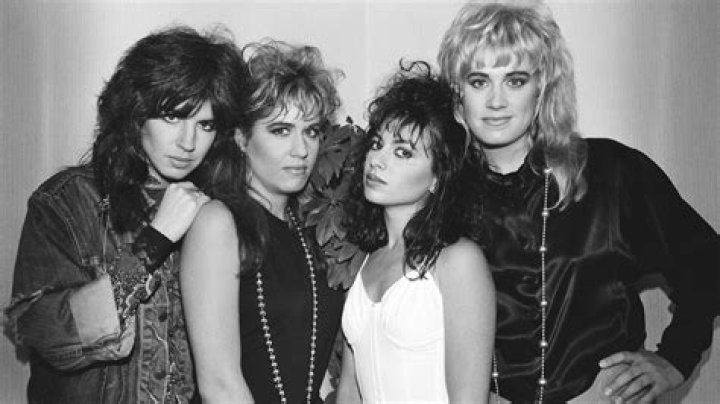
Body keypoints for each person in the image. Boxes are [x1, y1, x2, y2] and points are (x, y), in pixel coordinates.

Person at [438, 1, 720, 403]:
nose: (496, 100)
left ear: (543, 87)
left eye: (515, 80)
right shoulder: (443, 194)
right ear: (457, 92)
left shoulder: (612, 173)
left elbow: (706, 263)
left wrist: (676, 357)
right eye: (479, 81)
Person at [4, 26, 246, 403]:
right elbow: (40, 331)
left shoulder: (214, 210)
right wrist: (152, 244)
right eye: (172, 117)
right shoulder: (68, 201)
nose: (188, 142)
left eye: (205, 125)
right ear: (136, 114)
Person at [180, 39, 345, 404]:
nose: (301, 150)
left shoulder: (309, 229)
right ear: (241, 137)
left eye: (311, 131)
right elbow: (219, 384)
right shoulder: (218, 222)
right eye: (281, 130)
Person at [336, 62, 496, 404]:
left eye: (402, 152)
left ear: (438, 176)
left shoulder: (458, 260)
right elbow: (349, 391)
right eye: (376, 144)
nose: (377, 160)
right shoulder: (369, 259)